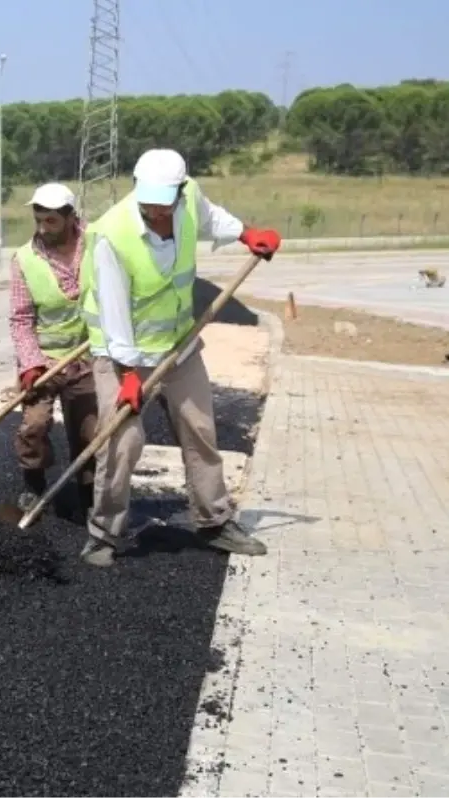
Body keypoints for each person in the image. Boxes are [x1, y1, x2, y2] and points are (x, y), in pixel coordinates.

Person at [78, 148, 281, 567]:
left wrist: (247, 233)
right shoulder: (111, 234)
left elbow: (212, 218)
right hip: (124, 354)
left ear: (179, 190)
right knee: (122, 443)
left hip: (178, 345)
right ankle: (102, 533)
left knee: (201, 429)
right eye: (147, 202)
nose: (155, 211)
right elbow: (115, 314)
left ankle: (214, 520)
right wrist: (128, 374)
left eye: (162, 202)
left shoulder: (188, 199)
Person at [8, 183, 99, 517]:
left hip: (87, 356)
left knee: (91, 432)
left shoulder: (96, 244)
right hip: (44, 360)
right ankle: (33, 485)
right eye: (39, 220)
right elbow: (20, 319)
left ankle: (89, 495)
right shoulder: (24, 260)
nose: (44, 228)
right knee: (33, 425)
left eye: (52, 222)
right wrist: (30, 364)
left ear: (71, 217)